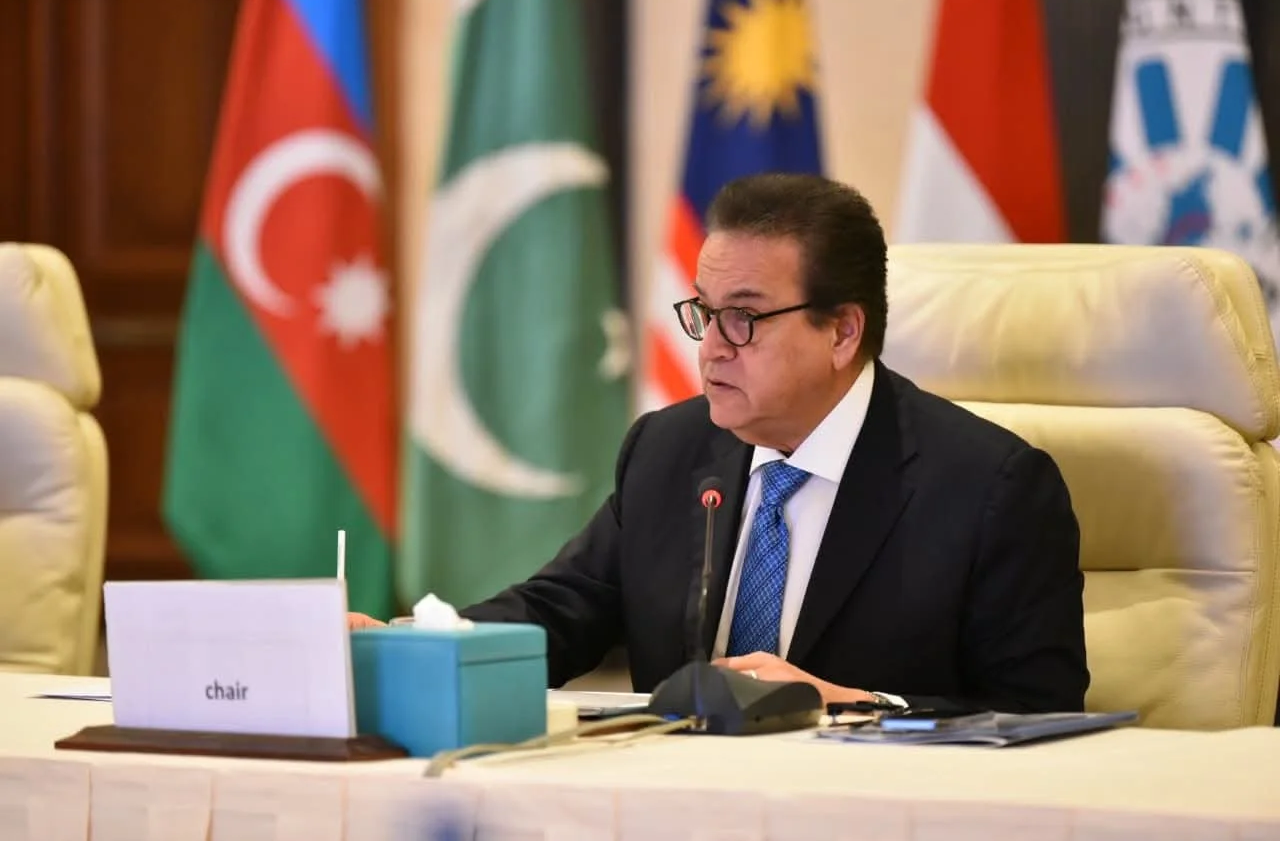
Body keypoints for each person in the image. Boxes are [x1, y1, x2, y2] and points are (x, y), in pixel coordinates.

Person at [351, 173, 1089, 713]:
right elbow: (559, 611)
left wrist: (859, 705)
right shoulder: (668, 449)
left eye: (744, 319)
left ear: (842, 331)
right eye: (704, 313)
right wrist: (406, 644)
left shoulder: (990, 489)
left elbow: (1039, 718)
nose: (710, 349)